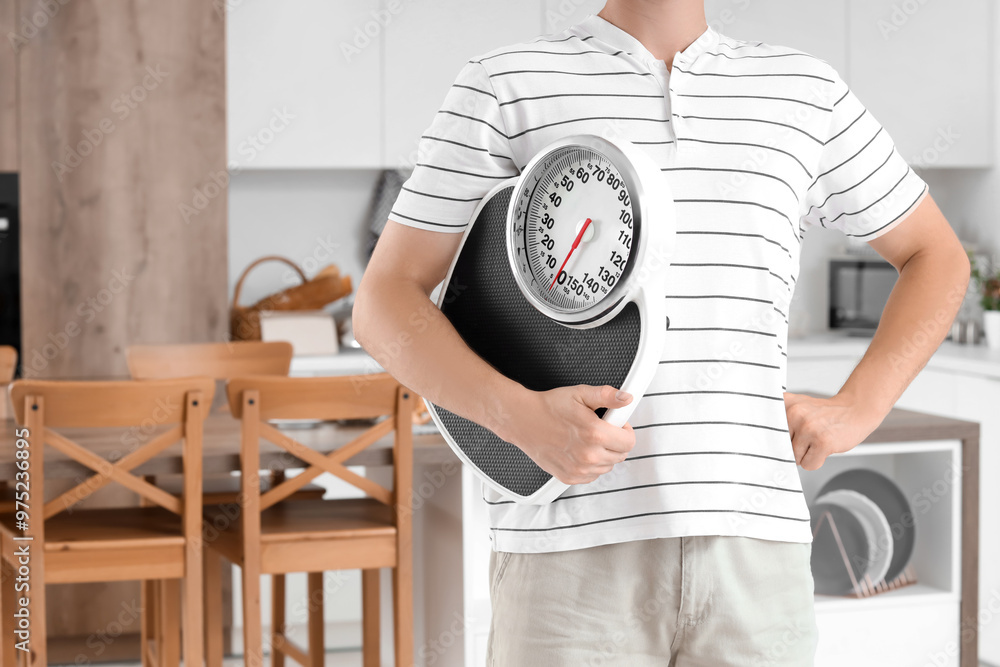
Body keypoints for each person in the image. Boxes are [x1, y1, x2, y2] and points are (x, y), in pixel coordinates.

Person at [353, 1, 970, 664]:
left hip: (755, 555)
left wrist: (858, 407)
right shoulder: (506, 87)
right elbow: (385, 303)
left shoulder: (805, 94)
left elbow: (936, 257)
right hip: (567, 555)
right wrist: (522, 419)